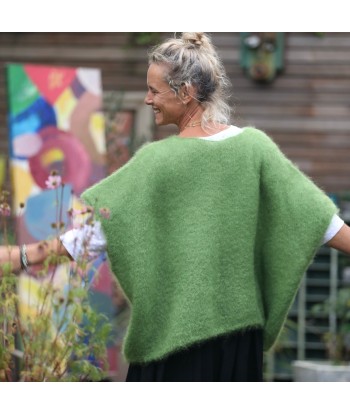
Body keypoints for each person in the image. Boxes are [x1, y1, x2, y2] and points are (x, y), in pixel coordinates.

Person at [1, 32, 350, 382]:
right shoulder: (255, 148)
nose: (147, 99)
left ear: (186, 93)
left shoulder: (157, 161)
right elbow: (322, 223)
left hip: (172, 343)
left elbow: (92, 234)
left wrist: (22, 257)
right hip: (238, 344)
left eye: (154, 91)